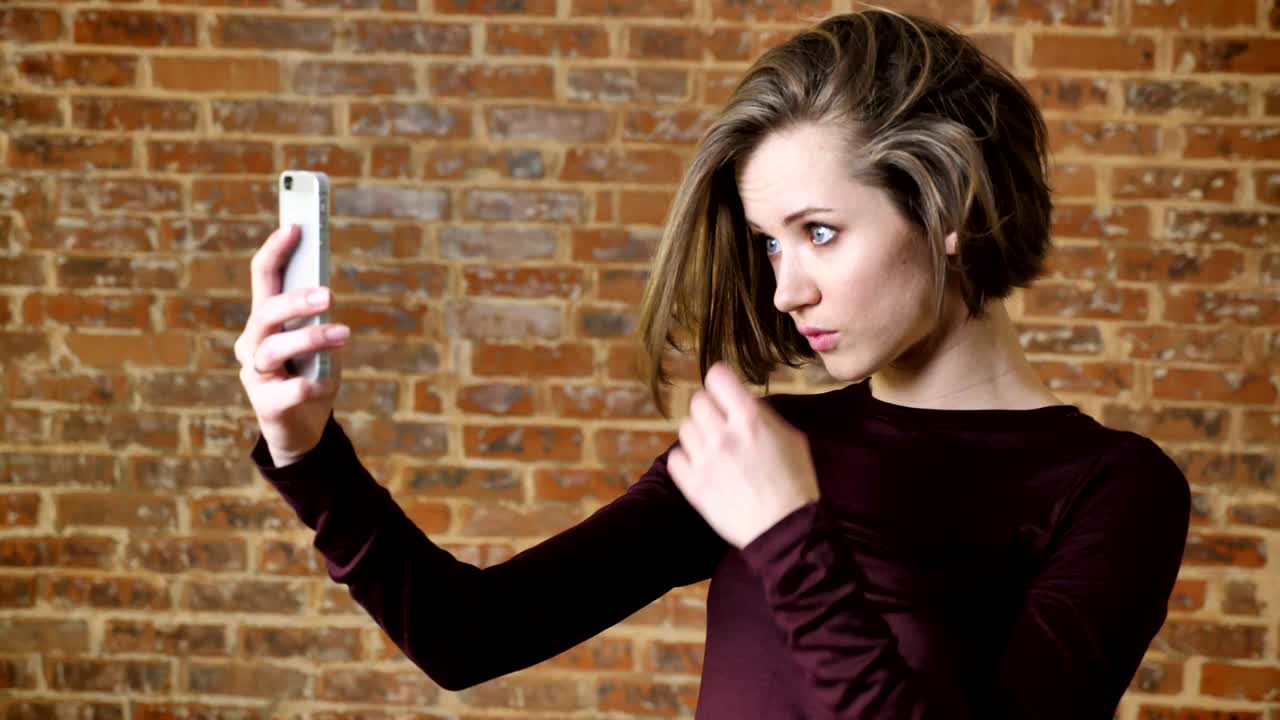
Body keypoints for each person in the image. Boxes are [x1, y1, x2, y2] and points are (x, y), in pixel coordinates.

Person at [235, 8, 1190, 719]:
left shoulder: (1112, 489)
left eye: (820, 232)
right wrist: (310, 453)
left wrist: (787, 535)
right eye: (772, 244)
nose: (786, 291)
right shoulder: (767, 447)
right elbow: (469, 635)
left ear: (948, 212)